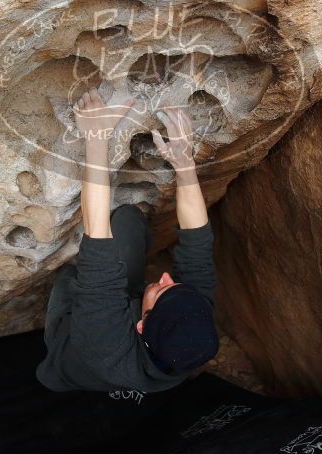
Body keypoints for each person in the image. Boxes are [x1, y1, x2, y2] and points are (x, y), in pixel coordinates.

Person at [35, 87, 219, 392]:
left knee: (69, 277)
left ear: (142, 325)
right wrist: (184, 163)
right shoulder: (191, 323)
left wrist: (95, 137)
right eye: (175, 285)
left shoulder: (102, 339)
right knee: (129, 219)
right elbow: (198, 242)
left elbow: (96, 232)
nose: (164, 276)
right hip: (129, 324)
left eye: (161, 292)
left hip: (74, 345)